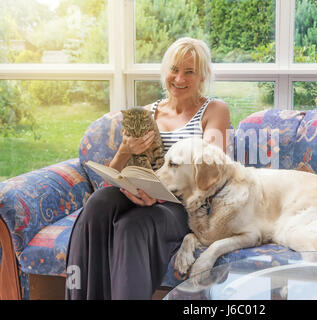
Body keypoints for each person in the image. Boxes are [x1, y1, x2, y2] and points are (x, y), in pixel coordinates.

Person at [66, 37, 230, 299]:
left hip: (182, 206)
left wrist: (161, 189)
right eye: (174, 70)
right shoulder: (146, 113)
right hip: (143, 192)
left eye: (190, 72)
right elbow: (120, 171)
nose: (179, 78)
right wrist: (125, 150)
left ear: (202, 76)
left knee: (133, 225)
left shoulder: (214, 110)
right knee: (97, 202)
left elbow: (212, 163)